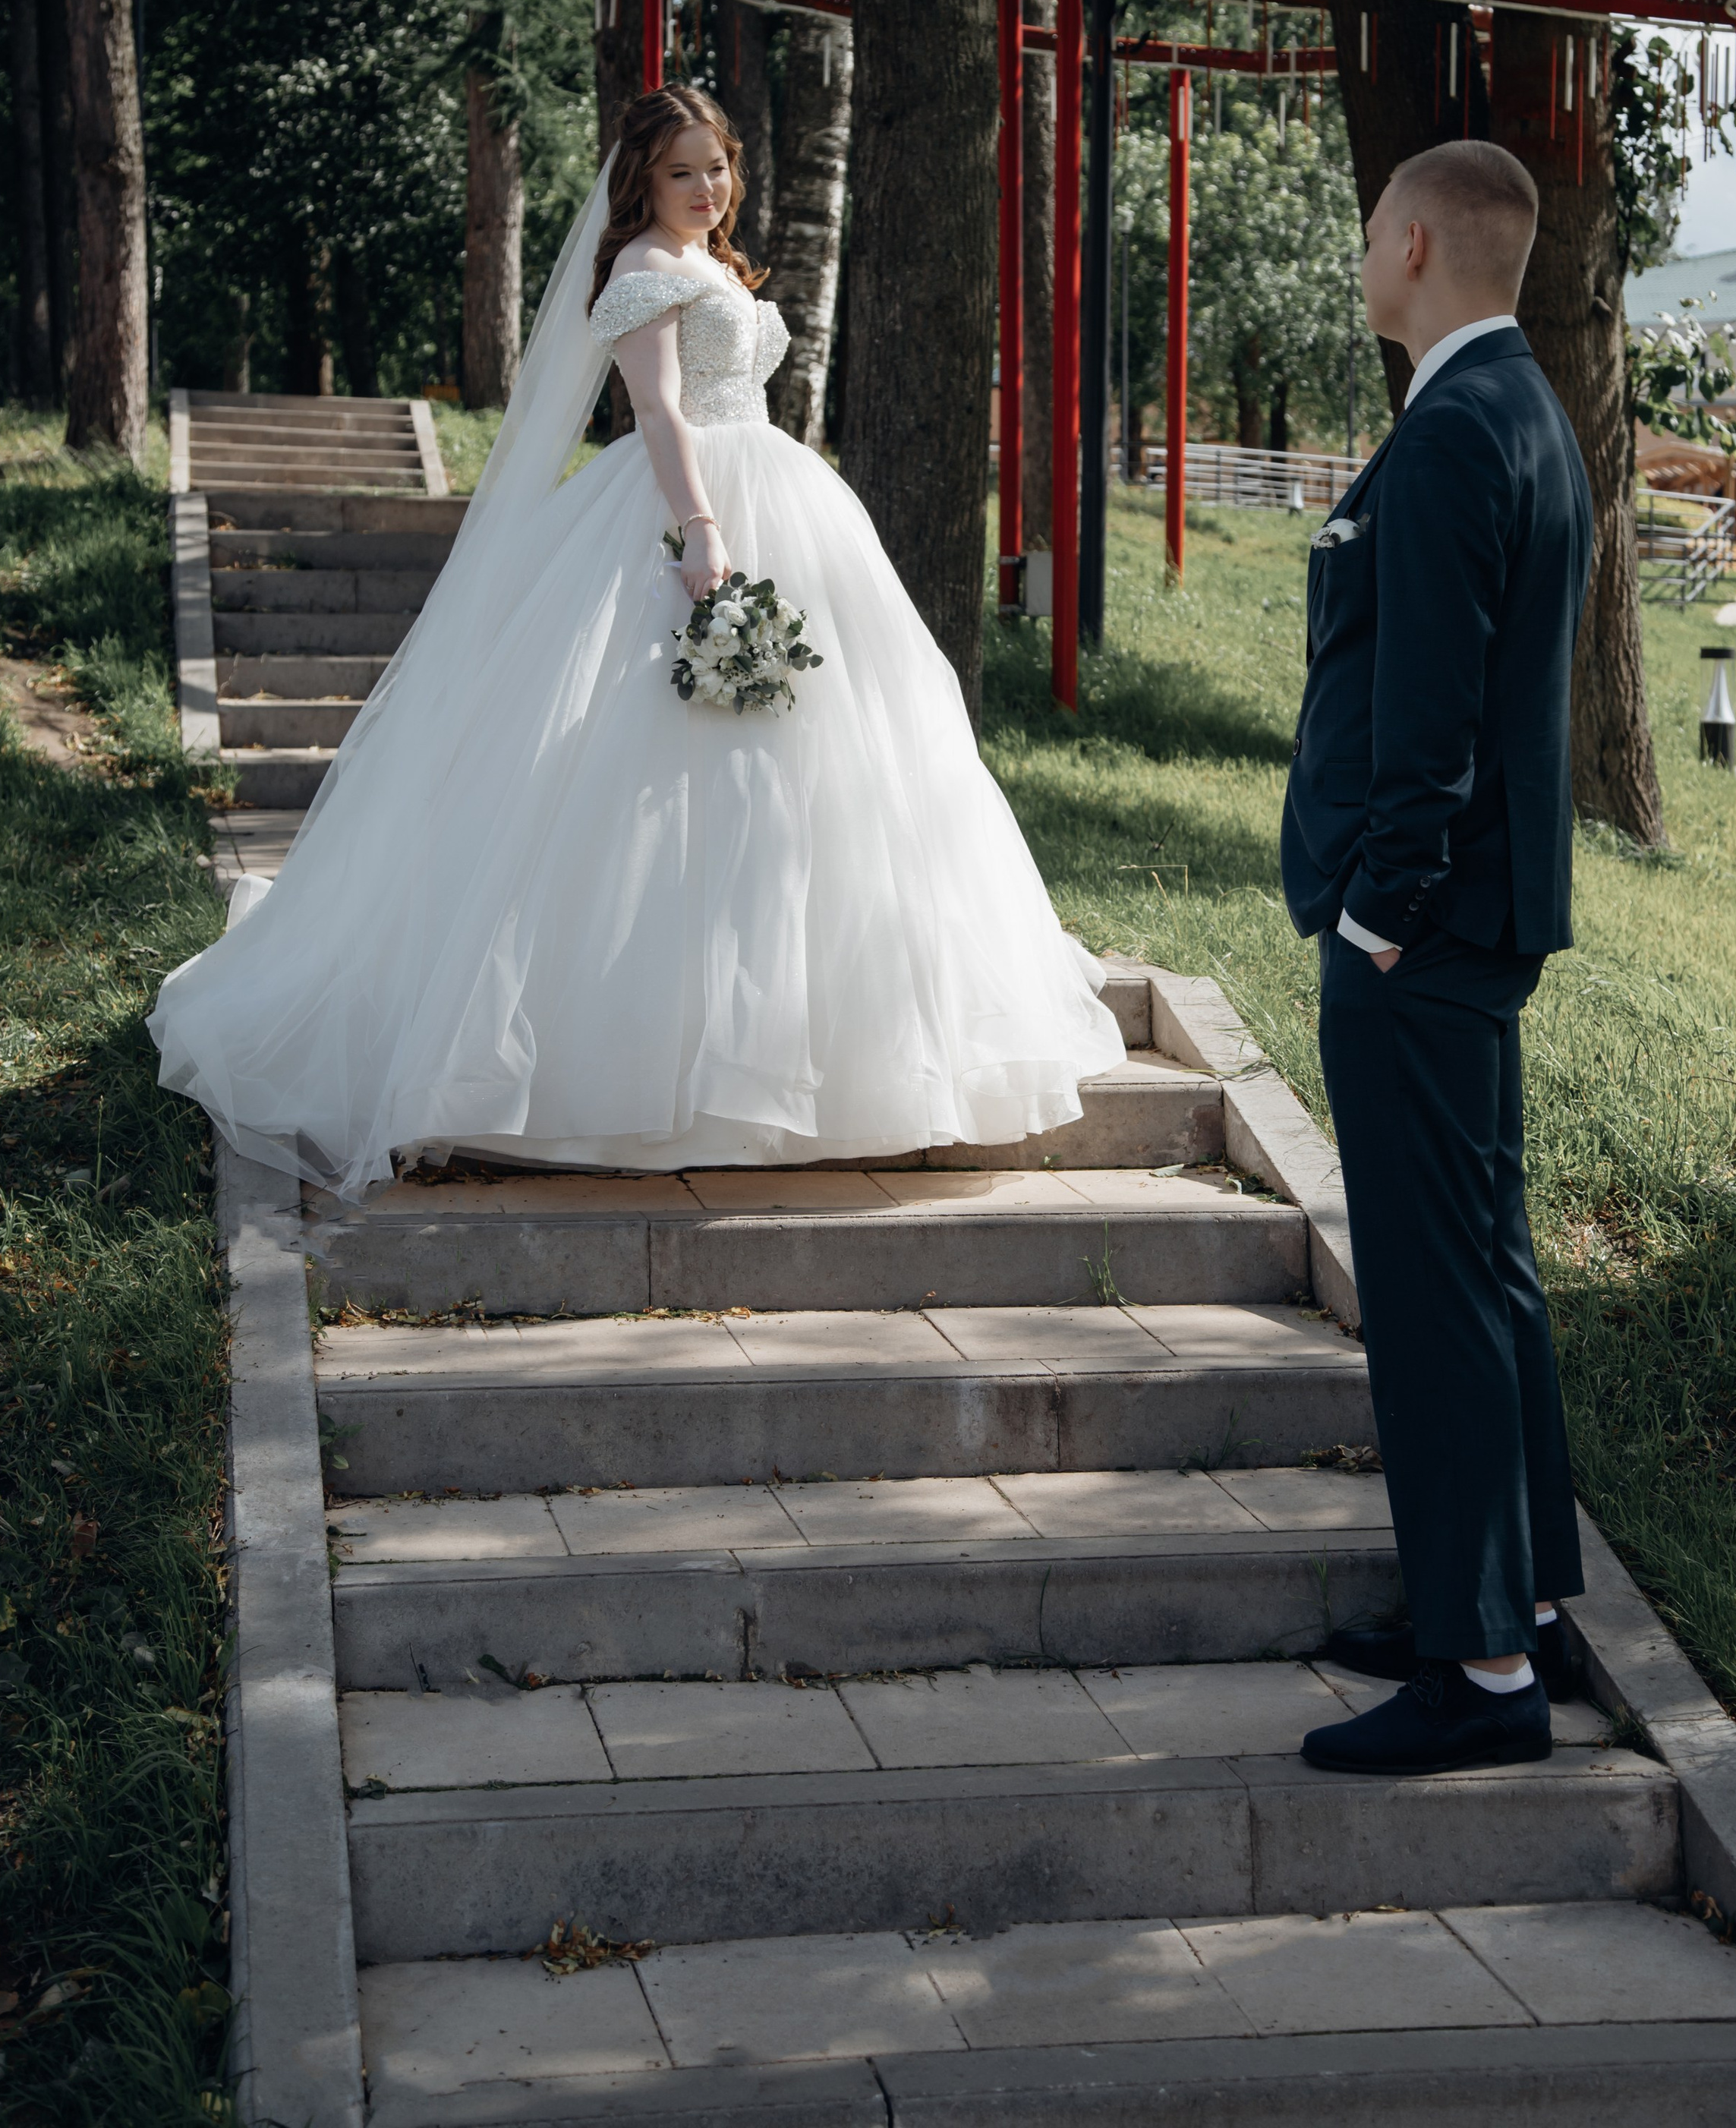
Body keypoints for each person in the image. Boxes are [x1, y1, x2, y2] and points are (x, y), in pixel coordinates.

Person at [150, 85, 1123, 1202]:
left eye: (717, 166)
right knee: (651, 759)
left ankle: (823, 1040)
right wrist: (701, 533)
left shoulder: (717, 264)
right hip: (687, 507)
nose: (707, 188)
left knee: (825, 765)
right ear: (642, 185)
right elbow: (659, 411)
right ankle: (615, 1059)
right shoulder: (642, 272)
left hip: (781, 492)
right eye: (682, 173)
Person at [1281, 138, 1593, 1774]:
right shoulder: (1517, 410)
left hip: (1423, 933)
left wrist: (1375, 914)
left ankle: (1478, 1678)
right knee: (1485, 1270)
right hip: (1472, 927)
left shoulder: (1459, 426)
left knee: (1430, 1291)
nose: (1358, 261)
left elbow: (1436, 718)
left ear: (1408, 242)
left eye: (1361, 238)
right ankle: (1517, 1602)